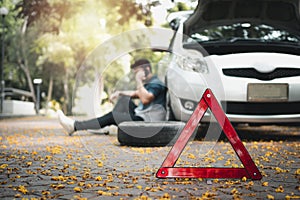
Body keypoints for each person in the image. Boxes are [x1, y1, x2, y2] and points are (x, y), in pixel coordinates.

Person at [58, 58, 167, 136]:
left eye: (137, 72)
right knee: (124, 100)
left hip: (149, 124)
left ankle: (74, 126)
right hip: (143, 117)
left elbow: (145, 99)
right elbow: (136, 93)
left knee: (113, 116)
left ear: (147, 69)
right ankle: (104, 126)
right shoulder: (150, 83)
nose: (135, 75)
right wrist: (119, 93)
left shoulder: (156, 83)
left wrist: (139, 81)